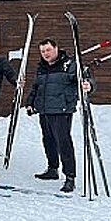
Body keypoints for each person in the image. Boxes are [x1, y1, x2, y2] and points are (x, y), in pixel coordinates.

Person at [25, 38, 94, 193]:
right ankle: (52, 169)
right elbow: (36, 87)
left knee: (63, 143)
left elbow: (85, 78)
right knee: (48, 140)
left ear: (56, 48)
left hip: (62, 110)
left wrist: (88, 85)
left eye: (48, 50)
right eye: (42, 51)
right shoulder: (42, 67)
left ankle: (70, 177)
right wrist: (30, 103)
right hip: (44, 110)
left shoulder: (69, 65)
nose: (45, 54)